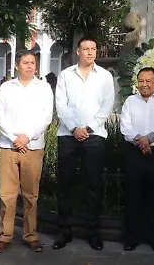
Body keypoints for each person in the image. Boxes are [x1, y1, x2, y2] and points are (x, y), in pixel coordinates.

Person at [53, 36, 116, 251]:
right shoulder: (65, 75)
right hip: (67, 136)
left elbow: (108, 105)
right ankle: (64, 232)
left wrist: (88, 129)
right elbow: (60, 104)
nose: (90, 52)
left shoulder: (105, 76)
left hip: (95, 136)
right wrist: (73, 128)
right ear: (78, 51)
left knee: (94, 186)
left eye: (93, 49)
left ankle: (93, 233)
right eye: (85, 49)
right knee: (65, 185)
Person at [0, 51, 55, 254]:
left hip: (33, 147)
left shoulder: (43, 87)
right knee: (7, 195)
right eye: (25, 63)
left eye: (33, 63)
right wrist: (14, 137)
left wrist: (27, 137)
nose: (30, 66)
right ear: (17, 65)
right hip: (8, 146)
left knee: (31, 195)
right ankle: (4, 236)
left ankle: (31, 235)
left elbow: (46, 116)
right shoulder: (6, 88)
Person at [120, 67, 154, 252]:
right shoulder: (130, 101)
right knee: (133, 196)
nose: (144, 84)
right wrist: (140, 141)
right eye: (141, 81)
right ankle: (131, 238)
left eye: (148, 81)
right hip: (135, 152)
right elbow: (125, 126)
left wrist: (148, 139)